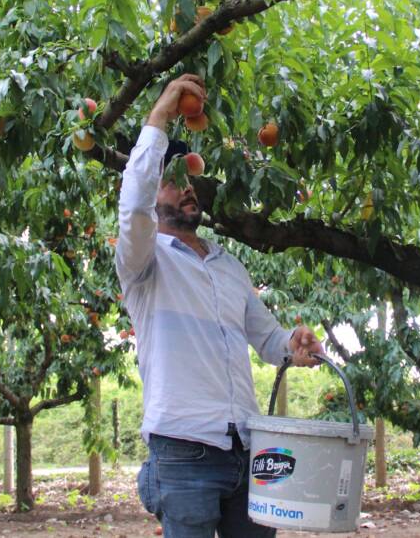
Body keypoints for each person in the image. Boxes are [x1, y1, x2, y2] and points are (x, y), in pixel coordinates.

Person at [115, 73, 325, 537]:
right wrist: (162, 114)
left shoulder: (228, 265)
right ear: (154, 196)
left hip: (248, 448)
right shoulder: (144, 265)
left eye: (187, 181)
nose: (186, 188)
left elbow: (269, 339)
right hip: (183, 449)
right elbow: (131, 208)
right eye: (171, 183)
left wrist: (295, 344)